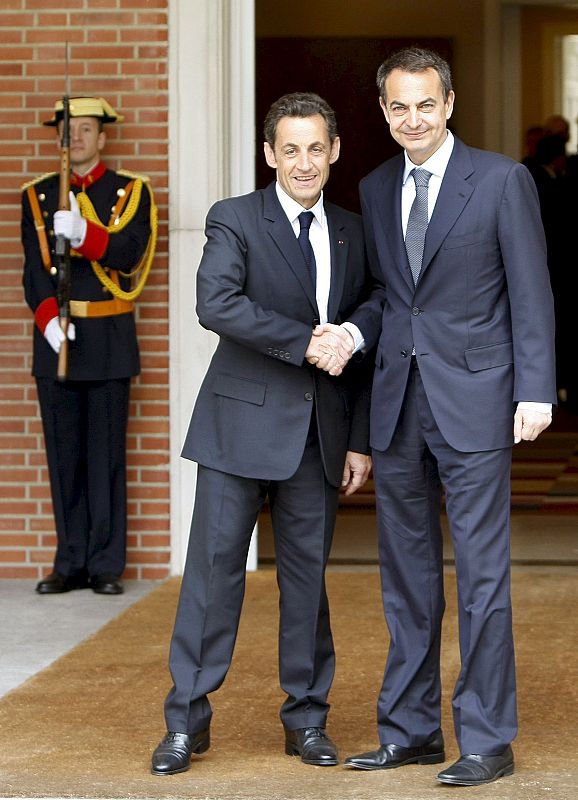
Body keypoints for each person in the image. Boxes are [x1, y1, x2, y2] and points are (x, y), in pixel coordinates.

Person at [338, 48, 556, 786]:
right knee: (405, 578)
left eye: (424, 104)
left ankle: (489, 737)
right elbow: (386, 302)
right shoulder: (372, 187)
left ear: (450, 102)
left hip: (478, 400)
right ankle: (411, 730)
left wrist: (536, 390)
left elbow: (532, 290)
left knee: (483, 577)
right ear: (384, 111)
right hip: (399, 407)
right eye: (398, 107)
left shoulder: (501, 180)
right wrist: (365, 424)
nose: (413, 119)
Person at [150, 92, 374, 776]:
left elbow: (371, 322)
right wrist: (306, 342)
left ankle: (307, 720)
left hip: (318, 434)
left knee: (307, 585)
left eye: (316, 148)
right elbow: (216, 303)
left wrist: (359, 437)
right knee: (214, 579)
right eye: (290, 149)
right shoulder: (235, 218)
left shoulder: (353, 231)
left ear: (333, 151)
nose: (303, 162)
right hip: (237, 429)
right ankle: (186, 721)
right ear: (268, 154)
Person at [21, 97, 157, 596]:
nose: (75, 137)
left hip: (107, 342)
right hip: (56, 340)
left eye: (85, 129)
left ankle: (105, 564)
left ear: (102, 137)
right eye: (68, 130)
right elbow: (33, 274)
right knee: (63, 458)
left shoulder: (129, 192)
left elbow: (128, 253)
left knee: (106, 458)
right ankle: (69, 561)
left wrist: (84, 234)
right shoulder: (36, 196)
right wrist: (47, 321)